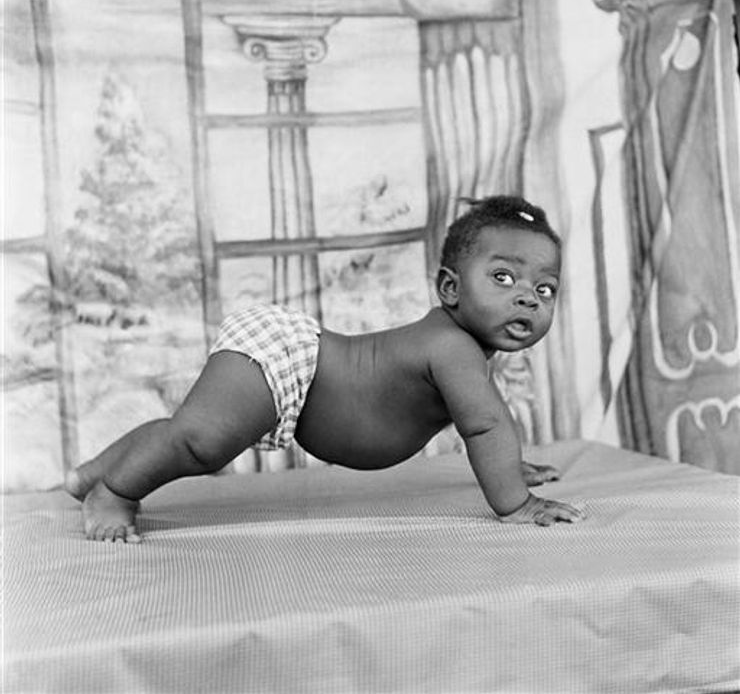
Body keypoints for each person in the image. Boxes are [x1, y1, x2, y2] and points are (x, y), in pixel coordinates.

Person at [67, 195, 585, 542]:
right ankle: (115, 492)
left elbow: (485, 420)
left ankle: (98, 470)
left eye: (544, 289)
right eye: (503, 278)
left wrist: (506, 464)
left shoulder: (461, 353)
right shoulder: (452, 349)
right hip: (292, 360)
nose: (527, 297)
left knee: (189, 431)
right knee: (201, 443)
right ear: (450, 288)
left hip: (298, 362)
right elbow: (485, 424)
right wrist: (517, 502)